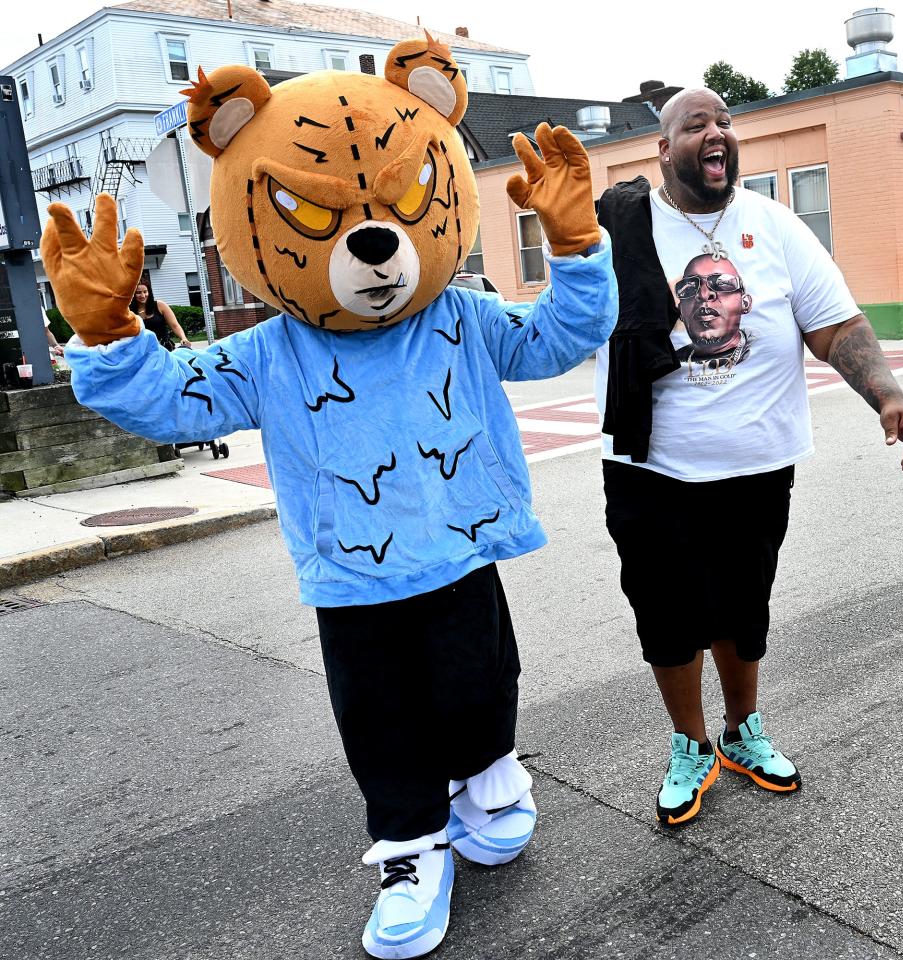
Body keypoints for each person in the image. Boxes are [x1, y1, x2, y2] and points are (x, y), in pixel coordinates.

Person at [43, 36, 616, 960]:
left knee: (482, 689)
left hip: (464, 552)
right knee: (382, 722)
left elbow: (562, 336)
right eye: (316, 214)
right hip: (354, 582)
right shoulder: (268, 354)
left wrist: (578, 245)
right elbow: (166, 400)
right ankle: (410, 850)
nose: (375, 241)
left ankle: (485, 783)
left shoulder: (463, 318)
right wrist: (112, 334)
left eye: (405, 202)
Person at [596, 87, 903, 828]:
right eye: (694, 125)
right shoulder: (622, 228)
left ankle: (742, 732)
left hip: (756, 467)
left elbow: (834, 324)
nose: (715, 132)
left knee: (742, 608)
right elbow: (568, 317)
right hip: (651, 468)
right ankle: (691, 744)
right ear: (663, 148)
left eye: (724, 121)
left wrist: (889, 397)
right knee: (666, 616)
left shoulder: (776, 226)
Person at [129, 280, 190, 350]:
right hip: (141, 350)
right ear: (132, 294)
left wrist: (183, 338)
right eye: (138, 293)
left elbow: (175, 325)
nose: (143, 295)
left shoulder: (160, 305)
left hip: (164, 348)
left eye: (145, 292)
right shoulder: (128, 311)